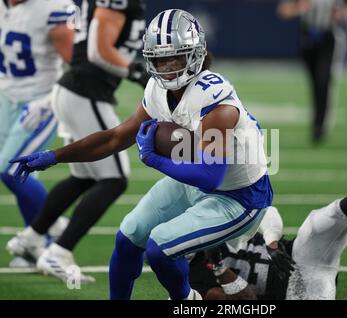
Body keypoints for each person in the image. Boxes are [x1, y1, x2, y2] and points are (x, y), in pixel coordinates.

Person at [9, 9, 273, 300]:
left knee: (159, 249)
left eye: (176, 56)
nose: (168, 66)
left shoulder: (216, 101)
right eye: (160, 58)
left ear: (196, 54)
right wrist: (55, 155)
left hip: (239, 197)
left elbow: (211, 176)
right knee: (128, 237)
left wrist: (155, 159)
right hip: (194, 182)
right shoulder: (156, 89)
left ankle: (188, 301)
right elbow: (114, 138)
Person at [7, 0, 148, 282]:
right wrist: (138, 73)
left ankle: (30, 238)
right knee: (114, 180)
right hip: (86, 92)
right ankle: (59, 252)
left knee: (85, 176)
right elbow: (98, 51)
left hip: (77, 90)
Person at [189, 139, 347, 299]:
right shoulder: (192, 274)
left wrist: (273, 244)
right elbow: (245, 301)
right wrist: (219, 267)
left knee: (323, 220)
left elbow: (267, 212)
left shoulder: (219, 217)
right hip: (295, 294)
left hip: (300, 258)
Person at [0, 0, 74, 267]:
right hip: (6, 96)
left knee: (10, 168)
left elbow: (75, 64)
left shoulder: (52, 7)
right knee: (13, 171)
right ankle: (35, 246)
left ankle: (52, 231)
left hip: (40, 102)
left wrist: (49, 100)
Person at [277, 0, 347, 143]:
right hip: (307, 37)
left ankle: (320, 125)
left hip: (328, 37)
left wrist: (342, 13)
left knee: (323, 80)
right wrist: (298, 8)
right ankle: (318, 122)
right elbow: (283, 10)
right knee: (315, 82)